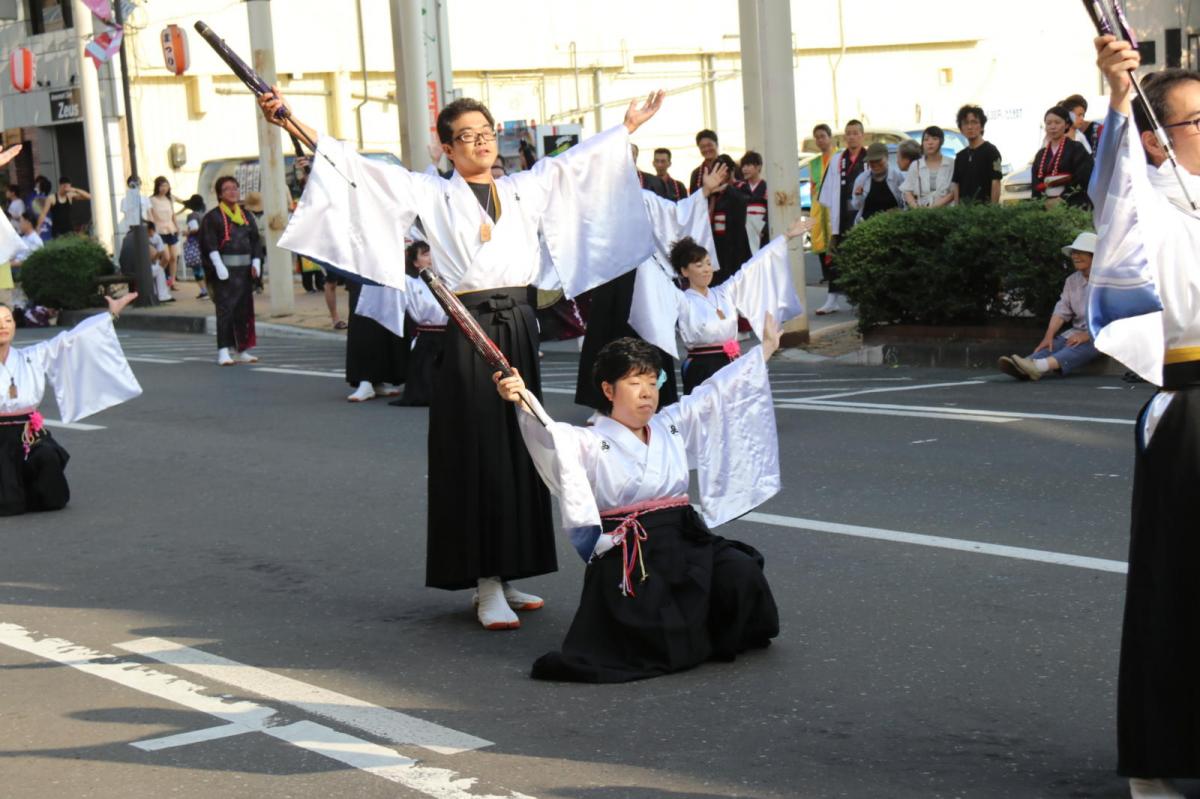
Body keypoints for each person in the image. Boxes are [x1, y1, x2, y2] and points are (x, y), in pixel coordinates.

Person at [269, 88, 661, 630]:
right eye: (467, 137)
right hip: (470, 329)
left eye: (486, 134)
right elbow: (354, 171)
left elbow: (577, 167)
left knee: (525, 446)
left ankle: (513, 569)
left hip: (519, 326)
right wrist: (293, 122)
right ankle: (484, 581)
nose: (480, 144)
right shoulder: (430, 192)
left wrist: (626, 128)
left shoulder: (524, 187)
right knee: (477, 450)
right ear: (448, 148)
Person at [493, 322, 783, 682]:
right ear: (608, 389)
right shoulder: (586, 440)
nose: (646, 393)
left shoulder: (671, 423)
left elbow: (717, 393)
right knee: (655, 625)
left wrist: (765, 349)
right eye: (634, 383)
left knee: (740, 571)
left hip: (684, 537)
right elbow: (548, 432)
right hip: (631, 550)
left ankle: (706, 634)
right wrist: (521, 398)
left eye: (652, 382)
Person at [1089, 37, 1200, 798]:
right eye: (1196, 118)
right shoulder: (1150, 203)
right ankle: (1159, 757)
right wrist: (1119, 97)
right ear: (1161, 137)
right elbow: (1110, 185)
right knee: (1178, 587)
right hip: (1193, 410)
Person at [0, 162, 141, 515]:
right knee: (9, 504)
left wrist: (110, 313)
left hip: (27, 432)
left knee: (51, 487)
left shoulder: (31, 355)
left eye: (7, 319)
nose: (3, 325)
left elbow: (72, 339)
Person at [574, 163, 729, 412]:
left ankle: (656, 400)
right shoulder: (596, 204)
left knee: (651, 339)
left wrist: (703, 192)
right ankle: (604, 403)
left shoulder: (645, 199)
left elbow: (677, 216)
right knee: (606, 338)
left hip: (647, 278)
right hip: (611, 277)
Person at [631, 217, 807, 394]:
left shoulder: (724, 291)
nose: (706, 269)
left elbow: (753, 266)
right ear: (684, 271)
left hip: (732, 361)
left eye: (708, 263)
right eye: (699, 265)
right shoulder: (681, 299)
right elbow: (652, 272)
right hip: (702, 367)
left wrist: (786, 236)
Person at [997, 232, 1099, 380]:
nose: (1075, 256)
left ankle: (1038, 367)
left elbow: (1116, 317)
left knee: (1089, 343)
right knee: (1057, 342)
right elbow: (1062, 309)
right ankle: (1027, 363)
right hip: (1077, 330)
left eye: (1080, 252)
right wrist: (1048, 336)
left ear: (1094, 256)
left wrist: (1089, 334)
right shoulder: (1072, 281)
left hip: (1104, 333)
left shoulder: (1109, 281)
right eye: (1073, 253)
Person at [199, 176, 261, 367]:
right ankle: (223, 351)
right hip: (224, 271)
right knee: (225, 310)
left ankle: (242, 349)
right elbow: (209, 243)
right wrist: (218, 265)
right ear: (219, 194)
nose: (233, 191)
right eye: (227, 189)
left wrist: (256, 262)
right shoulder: (213, 217)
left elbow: (256, 241)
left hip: (243, 271)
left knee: (243, 310)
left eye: (235, 188)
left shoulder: (246, 215)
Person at [816, 119, 867, 315]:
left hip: (862, 213)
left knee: (862, 256)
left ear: (862, 135)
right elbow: (827, 189)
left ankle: (864, 299)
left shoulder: (869, 156)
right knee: (837, 258)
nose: (852, 136)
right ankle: (832, 299)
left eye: (855, 132)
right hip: (842, 214)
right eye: (849, 133)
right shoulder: (838, 159)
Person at [1032, 106, 1093, 208]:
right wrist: (1042, 202)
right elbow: (1036, 182)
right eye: (1049, 123)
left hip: (1073, 203)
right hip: (1047, 205)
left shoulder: (1076, 148)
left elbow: (1083, 176)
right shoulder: (1041, 154)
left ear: (1067, 125)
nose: (1053, 126)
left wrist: (1063, 198)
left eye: (1057, 122)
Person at [951, 105, 1004, 204]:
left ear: (982, 126)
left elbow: (996, 182)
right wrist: (957, 209)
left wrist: (993, 210)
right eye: (966, 123)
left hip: (984, 211)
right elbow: (956, 184)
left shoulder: (991, 151)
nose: (970, 127)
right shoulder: (960, 156)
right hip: (963, 212)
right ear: (961, 129)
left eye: (974, 122)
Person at [849, 142, 905, 225]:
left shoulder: (898, 177)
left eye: (878, 160)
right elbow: (856, 206)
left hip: (894, 226)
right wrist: (858, 196)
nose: (875, 164)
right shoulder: (861, 179)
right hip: (867, 227)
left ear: (887, 157)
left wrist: (898, 211)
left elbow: (905, 205)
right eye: (872, 161)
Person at [901, 125, 955, 209]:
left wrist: (935, 207)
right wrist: (916, 208)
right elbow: (907, 190)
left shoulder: (951, 163)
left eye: (934, 139)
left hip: (946, 212)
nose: (930, 142)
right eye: (926, 139)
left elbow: (953, 192)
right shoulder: (916, 165)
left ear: (942, 141)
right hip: (922, 213)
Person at [809, 123, 836, 288]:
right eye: (817, 137)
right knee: (820, 238)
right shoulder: (815, 163)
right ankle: (827, 275)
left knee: (835, 238)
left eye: (822, 136)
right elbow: (813, 186)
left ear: (830, 137)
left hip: (833, 205)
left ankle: (836, 276)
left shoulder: (838, 157)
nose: (820, 140)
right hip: (819, 206)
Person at [148, 177, 182, 287]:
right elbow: (150, 217)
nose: (164, 188)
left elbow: (173, 214)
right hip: (159, 231)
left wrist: (177, 227)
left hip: (171, 230)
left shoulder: (169, 199)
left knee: (173, 257)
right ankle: (157, 276)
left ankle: (172, 281)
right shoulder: (152, 200)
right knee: (166, 257)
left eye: (166, 186)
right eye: (161, 185)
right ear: (157, 186)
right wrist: (152, 231)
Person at [738, 151, 769, 253]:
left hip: (760, 229)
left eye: (748, 165)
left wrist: (764, 229)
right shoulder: (740, 188)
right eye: (743, 166)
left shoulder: (766, 187)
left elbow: (770, 210)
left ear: (758, 167)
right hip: (745, 229)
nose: (744, 169)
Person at [181, 194, 208, 299]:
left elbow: (194, 228)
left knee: (197, 268)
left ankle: (204, 291)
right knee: (205, 268)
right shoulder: (204, 215)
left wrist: (186, 232)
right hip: (205, 243)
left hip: (195, 244)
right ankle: (208, 290)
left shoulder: (192, 216)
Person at [144, 221, 175, 303]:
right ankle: (163, 296)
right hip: (146, 267)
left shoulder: (155, 237)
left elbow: (163, 254)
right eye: (150, 231)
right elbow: (162, 254)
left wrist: (158, 261)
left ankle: (159, 294)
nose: (151, 233)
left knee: (159, 270)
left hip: (151, 264)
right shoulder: (144, 238)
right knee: (160, 271)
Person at [689, 129, 720, 194]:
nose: (706, 149)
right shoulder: (696, 173)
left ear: (717, 144)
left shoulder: (729, 167)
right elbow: (693, 198)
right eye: (702, 147)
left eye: (709, 145)